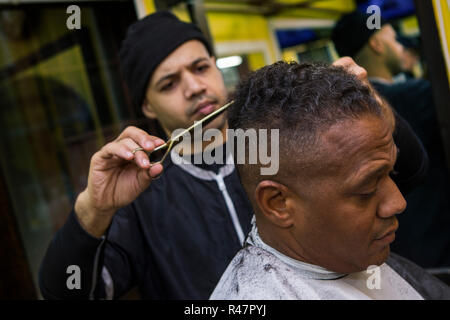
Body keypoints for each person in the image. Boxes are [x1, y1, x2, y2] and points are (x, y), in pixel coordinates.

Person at [39, 11, 428, 300]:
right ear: (148, 107)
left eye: (200, 67)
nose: (193, 87)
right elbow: (66, 292)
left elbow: (409, 173)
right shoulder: (141, 194)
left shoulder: (272, 146)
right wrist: (94, 208)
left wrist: (371, 107)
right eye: (169, 83)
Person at [210, 61, 450, 300]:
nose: (398, 202)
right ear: (278, 202)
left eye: (390, 171)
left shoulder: (341, 253)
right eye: (366, 190)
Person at [332, 11, 450, 269]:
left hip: (391, 258)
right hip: (437, 248)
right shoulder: (419, 97)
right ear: (377, 44)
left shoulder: (337, 117)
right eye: (394, 39)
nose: (400, 47)